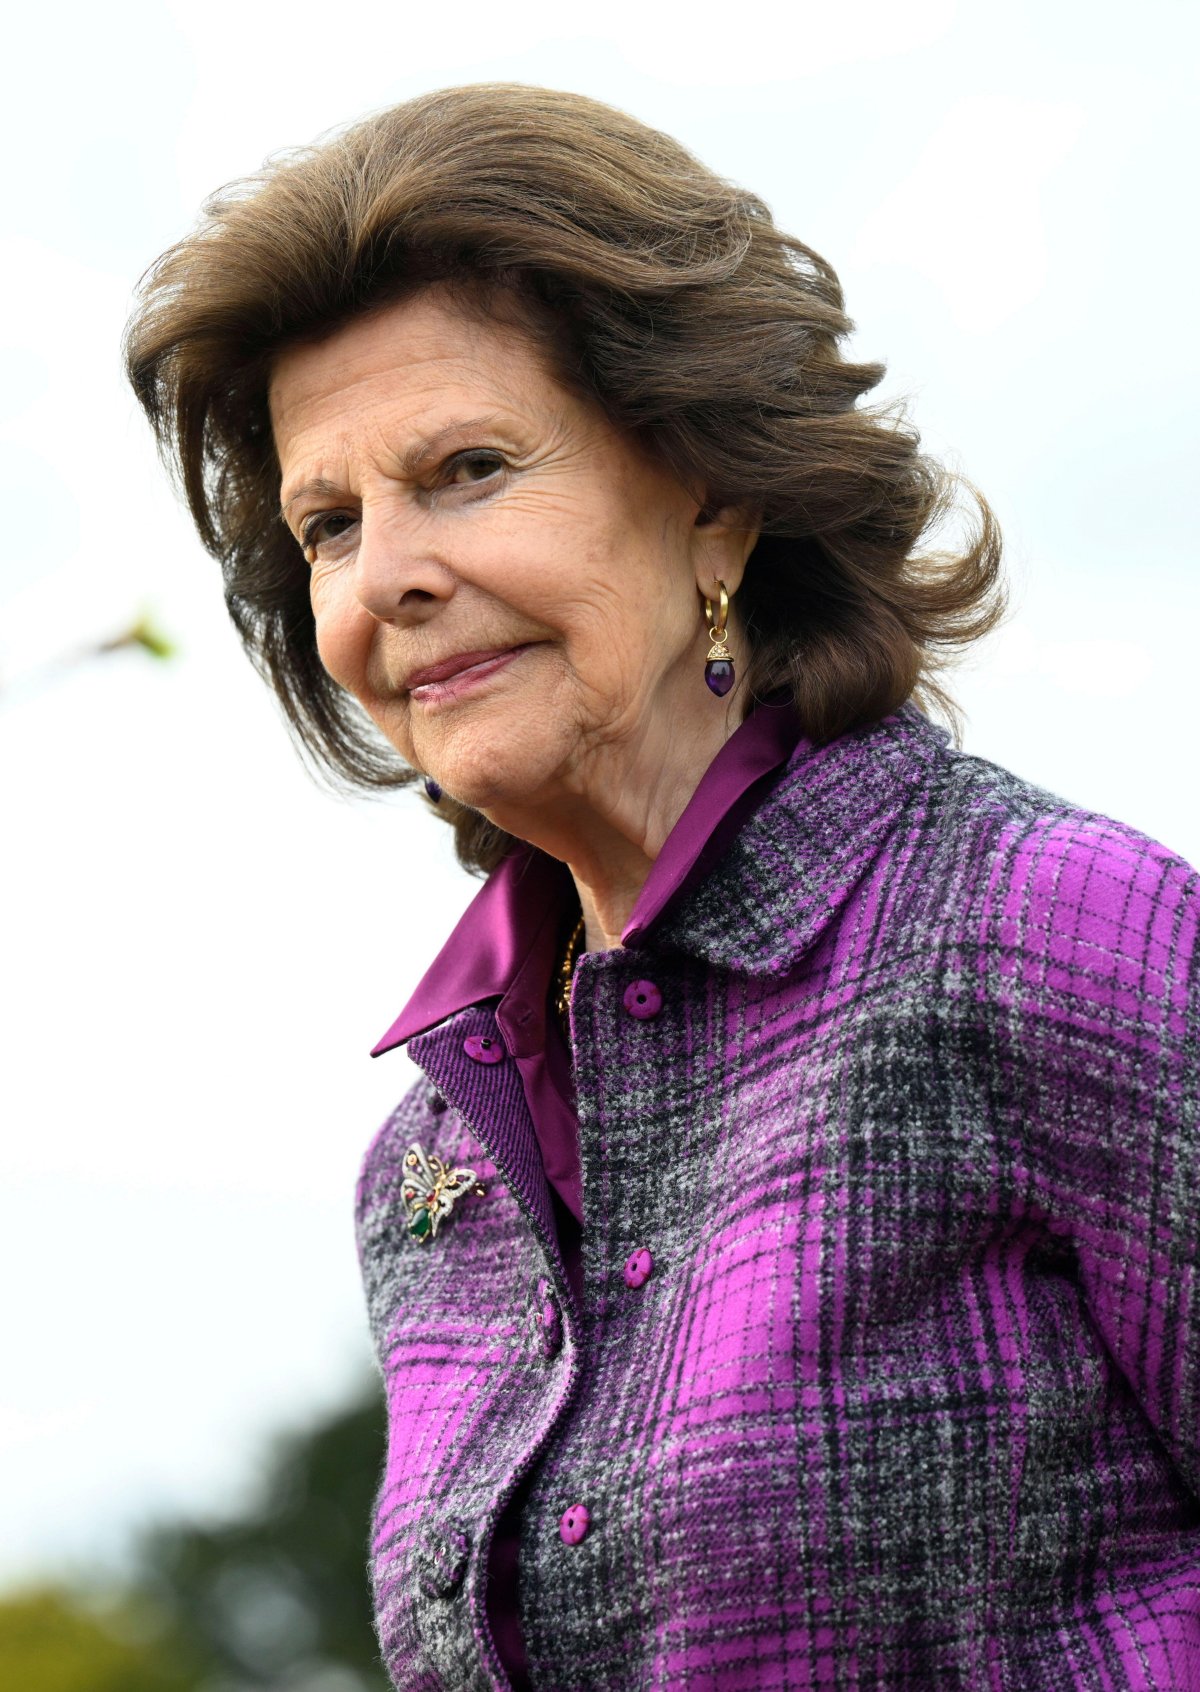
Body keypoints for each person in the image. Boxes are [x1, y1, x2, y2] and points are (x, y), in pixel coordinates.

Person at [123, 82, 1200, 1692]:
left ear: (716, 493)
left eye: (470, 467)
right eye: (330, 523)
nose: (391, 575)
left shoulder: (1054, 934)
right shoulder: (428, 1168)